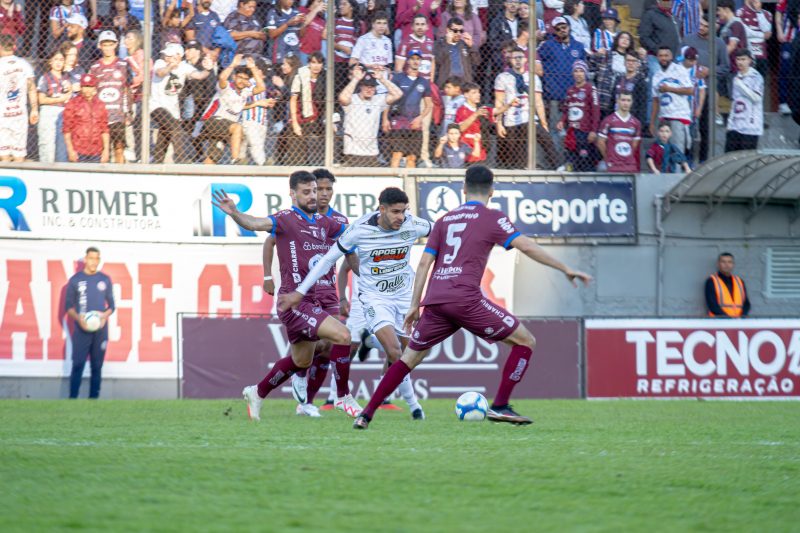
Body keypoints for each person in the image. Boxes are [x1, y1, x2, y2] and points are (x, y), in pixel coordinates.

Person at [349, 165, 592, 430]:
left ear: (463, 190)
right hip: (465, 299)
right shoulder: (491, 217)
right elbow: (527, 245)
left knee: (408, 359)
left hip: (435, 301)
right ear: (492, 191)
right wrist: (565, 268)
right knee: (525, 341)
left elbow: (424, 264)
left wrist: (414, 305)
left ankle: (366, 414)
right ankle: (500, 405)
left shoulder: (444, 220)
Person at [214, 171, 361, 421]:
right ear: (292, 194)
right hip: (295, 302)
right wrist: (235, 213)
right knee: (343, 335)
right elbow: (255, 224)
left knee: (302, 361)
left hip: (316, 300)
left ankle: (257, 392)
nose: (313, 196)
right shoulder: (285, 219)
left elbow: (355, 234)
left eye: (314, 190)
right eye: (306, 192)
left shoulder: (326, 222)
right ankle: (343, 396)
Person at [279, 187, 431, 421]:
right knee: (394, 351)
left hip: (403, 296)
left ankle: (370, 343)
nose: (401, 217)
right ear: (381, 209)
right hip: (374, 298)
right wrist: (300, 291)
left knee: (416, 352)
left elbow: (441, 232)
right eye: (395, 212)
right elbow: (329, 259)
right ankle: (377, 410)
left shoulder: (414, 224)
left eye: (404, 211)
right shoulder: (359, 230)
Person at [260, 170, 356, 417]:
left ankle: (307, 401)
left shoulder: (336, 221)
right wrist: (268, 276)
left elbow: (350, 251)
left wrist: (360, 282)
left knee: (326, 345)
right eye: (316, 189)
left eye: (325, 190)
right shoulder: (290, 219)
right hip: (301, 294)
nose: (321, 194)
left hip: (327, 290)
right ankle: (303, 379)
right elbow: (270, 241)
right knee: (323, 342)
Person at [66, 247, 115, 399]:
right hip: (82, 330)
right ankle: (72, 399)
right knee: (78, 364)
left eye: (97, 258)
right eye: (91, 258)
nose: (94, 262)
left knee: (97, 365)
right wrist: (79, 318)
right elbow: (68, 307)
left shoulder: (105, 279)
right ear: (85, 259)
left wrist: (104, 316)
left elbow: (112, 306)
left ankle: (94, 400)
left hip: (100, 330)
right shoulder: (75, 280)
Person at [199, 54, 265, 164]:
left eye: (245, 79)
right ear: (234, 77)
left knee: (214, 156)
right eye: (240, 78)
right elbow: (222, 78)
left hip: (225, 127)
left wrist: (253, 68)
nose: (242, 81)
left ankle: (202, 174)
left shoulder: (245, 91)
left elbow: (261, 87)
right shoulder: (227, 87)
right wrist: (233, 64)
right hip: (212, 121)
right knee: (238, 128)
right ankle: (235, 160)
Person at [339, 67, 402, 166]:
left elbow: (398, 94)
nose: (369, 89)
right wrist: (356, 79)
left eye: (372, 86)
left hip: (372, 152)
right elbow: (342, 98)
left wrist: (382, 79)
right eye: (366, 86)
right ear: (361, 86)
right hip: (353, 152)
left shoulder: (378, 100)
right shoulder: (352, 99)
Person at [384, 50, 432, 168]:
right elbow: (388, 100)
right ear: (408, 61)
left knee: (412, 157)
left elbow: (429, 104)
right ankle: (392, 182)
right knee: (397, 154)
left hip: (414, 123)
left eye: (418, 59)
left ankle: (409, 185)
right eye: (413, 59)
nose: (415, 61)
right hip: (398, 121)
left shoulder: (424, 82)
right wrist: (385, 119)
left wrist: (420, 118)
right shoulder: (398, 78)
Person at [90, 31, 132, 164]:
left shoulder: (123, 65)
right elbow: (92, 92)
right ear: (100, 46)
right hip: (101, 116)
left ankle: (121, 177)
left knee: (119, 148)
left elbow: (127, 89)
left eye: (110, 44)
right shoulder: (95, 67)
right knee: (102, 150)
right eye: (105, 45)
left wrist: (128, 112)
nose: (108, 48)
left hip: (118, 115)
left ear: (116, 45)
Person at [649, 46, 693, 158]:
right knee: (664, 154)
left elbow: (690, 90)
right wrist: (652, 123)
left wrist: (670, 89)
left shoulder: (679, 70)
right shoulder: (657, 75)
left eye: (666, 55)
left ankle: (678, 175)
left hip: (679, 116)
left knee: (677, 153)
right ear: (657, 57)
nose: (663, 58)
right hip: (663, 118)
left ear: (671, 57)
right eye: (660, 56)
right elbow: (655, 100)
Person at [557, 60, 600, 172]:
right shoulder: (570, 90)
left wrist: (594, 131)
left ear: (585, 73)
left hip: (585, 132)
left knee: (586, 163)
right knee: (572, 163)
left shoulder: (591, 89)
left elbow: (596, 112)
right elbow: (567, 109)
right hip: (572, 133)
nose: (578, 73)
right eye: (576, 71)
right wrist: (562, 121)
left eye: (581, 71)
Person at [0, 34, 37, 163]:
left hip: (3, 116)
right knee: (19, 154)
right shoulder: (24, 65)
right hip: (19, 115)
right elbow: (32, 88)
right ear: (14, 47)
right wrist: (34, 109)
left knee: (3, 155)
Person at [63, 73, 110, 163]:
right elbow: (67, 129)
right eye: (85, 86)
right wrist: (70, 150)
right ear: (81, 87)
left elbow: (104, 129)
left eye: (90, 86)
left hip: (96, 150)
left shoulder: (100, 105)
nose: (87, 90)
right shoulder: (73, 104)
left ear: (94, 88)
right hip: (79, 150)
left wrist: (106, 150)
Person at [38, 47, 73, 164]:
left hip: (64, 113)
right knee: (47, 146)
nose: (58, 63)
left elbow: (71, 94)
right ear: (50, 61)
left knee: (62, 148)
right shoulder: (45, 77)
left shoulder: (67, 77)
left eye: (61, 60)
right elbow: (41, 99)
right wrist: (60, 98)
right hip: (49, 112)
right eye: (56, 59)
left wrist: (70, 90)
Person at [725, 48, 762, 153]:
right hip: (735, 125)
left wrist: (741, 85)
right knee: (730, 157)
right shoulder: (736, 77)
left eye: (743, 59)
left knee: (746, 158)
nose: (740, 62)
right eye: (738, 59)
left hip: (751, 126)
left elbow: (756, 98)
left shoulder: (756, 77)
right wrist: (729, 123)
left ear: (750, 60)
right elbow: (735, 101)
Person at [597, 91, 641, 172]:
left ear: (632, 102)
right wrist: (608, 158)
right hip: (614, 165)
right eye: (623, 100)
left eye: (628, 100)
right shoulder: (608, 120)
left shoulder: (636, 123)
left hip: (630, 166)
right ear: (618, 101)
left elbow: (634, 145)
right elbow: (600, 142)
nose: (626, 103)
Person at [705, 252, 750, 318]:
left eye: (729, 262)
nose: (727, 265)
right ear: (718, 264)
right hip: (719, 323)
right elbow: (712, 305)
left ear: (733, 264)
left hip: (739, 323)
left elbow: (746, 304)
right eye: (723, 262)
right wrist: (728, 319)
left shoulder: (739, 281)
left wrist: (742, 316)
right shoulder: (711, 281)